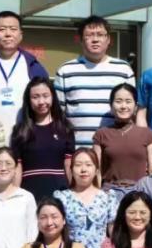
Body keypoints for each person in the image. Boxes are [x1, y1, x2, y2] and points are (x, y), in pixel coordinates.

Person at [54, 15, 136, 148]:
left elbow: (131, 112)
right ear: (81, 40)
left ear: (108, 39)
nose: (95, 39)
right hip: (78, 151)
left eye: (100, 35)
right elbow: (58, 115)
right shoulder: (66, 71)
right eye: (89, 35)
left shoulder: (124, 69)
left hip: (114, 149)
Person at [10, 77, 75, 201]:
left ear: (53, 97)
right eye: (35, 97)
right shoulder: (20, 131)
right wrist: (15, 196)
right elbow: (17, 167)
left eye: (46, 96)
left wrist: (74, 194)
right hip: (29, 193)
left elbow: (68, 165)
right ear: (28, 100)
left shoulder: (65, 129)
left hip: (59, 192)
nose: (41, 102)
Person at [94, 83, 152, 192]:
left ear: (135, 107)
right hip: (110, 192)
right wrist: (97, 195)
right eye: (118, 101)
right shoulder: (101, 134)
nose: (123, 106)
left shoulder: (147, 134)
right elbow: (97, 171)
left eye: (128, 101)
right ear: (111, 106)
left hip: (139, 192)